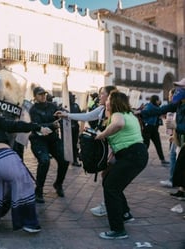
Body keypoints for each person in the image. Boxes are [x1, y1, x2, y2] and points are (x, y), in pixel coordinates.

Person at [0, 104, 51, 233]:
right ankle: (28, 224)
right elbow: (17, 125)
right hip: (5, 157)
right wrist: (38, 126)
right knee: (24, 185)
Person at [55, 86, 117, 216]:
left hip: (119, 151)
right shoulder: (102, 109)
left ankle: (111, 207)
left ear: (110, 96)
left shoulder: (116, 113)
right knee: (109, 178)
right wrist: (67, 115)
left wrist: (102, 134)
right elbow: (86, 116)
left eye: (102, 94)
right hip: (111, 150)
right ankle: (120, 209)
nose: (99, 96)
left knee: (110, 181)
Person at [95, 90, 148, 239]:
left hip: (132, 155)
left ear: (114, 102)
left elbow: (118, 124)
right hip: (135, 154)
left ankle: (118, 230)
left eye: (108, 99)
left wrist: (102, 134)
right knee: (111, 182)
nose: (106, 102)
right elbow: (121, 137)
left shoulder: (117, 115)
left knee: (111, 187)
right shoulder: (129, 114)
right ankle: (125, 214)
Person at [138, 79, 185, 199]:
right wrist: (143, 112)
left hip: (182, 136)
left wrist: (177, 127)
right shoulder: (178, 104)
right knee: (180, 165)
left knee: (180, 165)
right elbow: (160, 110)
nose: (178, 91)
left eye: (181, 88)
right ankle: (182, 190)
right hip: (181, 138)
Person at [29, 86, 69, 203]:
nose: (43, 96)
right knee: (44, 161)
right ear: (35, 97)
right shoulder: (33, 110)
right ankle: (39, 190)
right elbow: (38, 125)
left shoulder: (52, 106)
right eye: (40, 94)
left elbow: (61, 114)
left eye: (44, 94)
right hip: (38, 139)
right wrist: (52, 125)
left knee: (64, 159)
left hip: (53, 139)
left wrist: (64, 113)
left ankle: (58, 184)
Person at [141, 95, 169, 165]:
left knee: (157, 144)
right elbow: (144, 113)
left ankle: (162, 159)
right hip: (148, 128)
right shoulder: (151, 107)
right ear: (156, 100)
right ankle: (140, 159)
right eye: (159, 100)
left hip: (153, 128)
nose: (160, 101)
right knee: (146, 145)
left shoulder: (152, 106)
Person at [160, 88, 177, 188]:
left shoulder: (176, 106)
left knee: (173, 156)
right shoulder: (174, 107)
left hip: (178, 136)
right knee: (173, 156)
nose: (169, 97)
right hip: (175, 135)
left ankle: (172, 180)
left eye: (171, 95)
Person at [68, 92, 82, 166]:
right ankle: (69, 159)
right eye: (71, 97)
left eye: (73, 97)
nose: (73, 98)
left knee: (74, 143)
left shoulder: (76, 106)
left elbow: (80, 115)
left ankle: (74, 158)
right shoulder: (64, 106)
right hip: (67, 129)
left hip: (75, 128)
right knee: (67, 144)